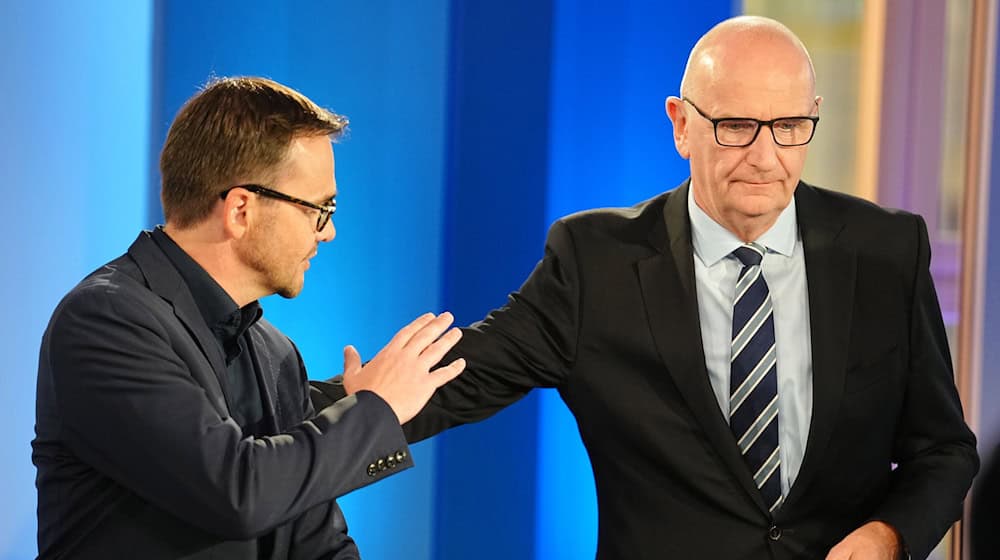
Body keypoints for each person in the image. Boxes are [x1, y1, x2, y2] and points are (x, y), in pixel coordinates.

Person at [385, 16, 979, 560]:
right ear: (682, 125)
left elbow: (943, 450)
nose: (765, 157)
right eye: (737, 126)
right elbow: (451, 383)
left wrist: (891, 535)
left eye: (790, 127)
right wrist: (305, 431)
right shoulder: (596, 263)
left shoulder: (886, 251)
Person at [32, 76, 465, 559]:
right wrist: (373, 409)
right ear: (241, 209)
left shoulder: (276, 353)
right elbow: (234, 492)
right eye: (320, 208)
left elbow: (317, 544)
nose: (330, 232)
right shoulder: (106, 320)